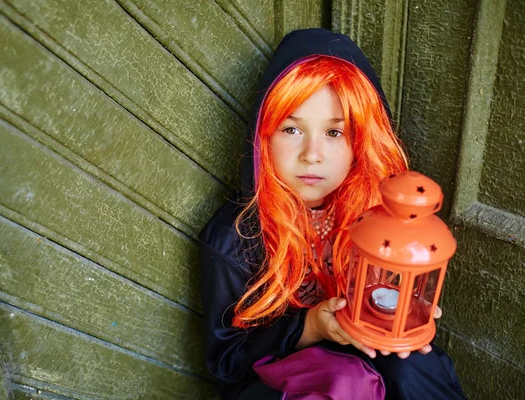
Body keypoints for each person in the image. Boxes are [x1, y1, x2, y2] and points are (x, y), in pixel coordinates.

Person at [199, 29, 466, 400]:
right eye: (292, 129)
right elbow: (227, 362)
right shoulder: (235, 236)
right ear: (263, 137)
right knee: (346, 382)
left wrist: (405, 314)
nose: (312, 154)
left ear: (361, 141)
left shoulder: (375, 219)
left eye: (334, 133)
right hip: (279, 381)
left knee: (418, 368)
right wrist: (311, 327)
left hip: (365, 352)